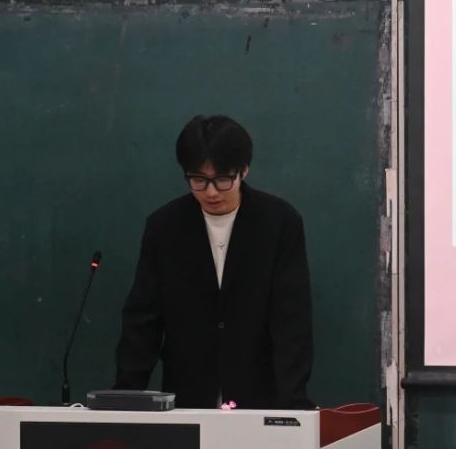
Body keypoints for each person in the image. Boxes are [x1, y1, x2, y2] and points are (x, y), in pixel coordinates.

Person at [114, 115, 314, 409]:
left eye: (222, 179)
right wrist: (125, 398)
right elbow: (143, 320)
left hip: (261, 398)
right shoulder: (165, 227)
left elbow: (292, 321)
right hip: (188, 398)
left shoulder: (279, 223)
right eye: (198, 180)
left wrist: (293, 405)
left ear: (244, 170)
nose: (210, 192)